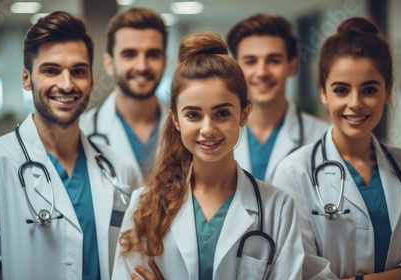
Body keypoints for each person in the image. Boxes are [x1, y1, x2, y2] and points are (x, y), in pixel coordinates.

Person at [0, 11, 140, 279]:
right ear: (26, 78)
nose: (66, 85)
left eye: (78, 71)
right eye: (51, 70)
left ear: (90, 79)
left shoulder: (121, 171)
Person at [272, 17, 401, 279]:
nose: (355, 103)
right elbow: (301, 273)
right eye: (341, 90)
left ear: (388, 91)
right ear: (324, 93)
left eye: (369, 89)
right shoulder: (294, 172)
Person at [112, 33, 304, 280]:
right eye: (193, 115)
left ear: (244, 114)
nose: (207, 129)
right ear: (175, 119)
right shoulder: (144, 206)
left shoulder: (278, 208)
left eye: (222, 113)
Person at [226, 14, 330, 183]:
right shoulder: (216, 135)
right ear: (235, 68)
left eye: (273, 61)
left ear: (292, 66)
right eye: (250, 61)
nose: (262, 72)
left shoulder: (323, 137)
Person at [80, 7, 168, 182]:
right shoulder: (81, 132)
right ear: (109, 63)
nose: (142, 66)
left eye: (153, 55)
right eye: (130, 55)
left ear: (164, 62)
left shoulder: (187, 129)